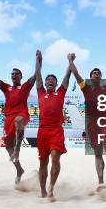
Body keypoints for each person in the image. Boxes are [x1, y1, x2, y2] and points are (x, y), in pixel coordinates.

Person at [69, 57, 106, 191]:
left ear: (100, 77)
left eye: (98, 73)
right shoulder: (85, 87)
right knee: (97, 154)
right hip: (92, 125)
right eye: (94, 73)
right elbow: (75, 72)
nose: (96, 74)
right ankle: (101, 182)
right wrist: (70, 60)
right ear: (90, 77)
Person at [0, 53, 35, 184]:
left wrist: (38, 60)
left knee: (19, 120)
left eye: (16, 74)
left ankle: (18, 149)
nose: (14, 75)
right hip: (8, 118)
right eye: (12, 74)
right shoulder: (7, 87)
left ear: (21, 76)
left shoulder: (25, 86)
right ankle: (19, 169)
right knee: (8, 147)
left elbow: (36, 75)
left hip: (22, 113)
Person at [35, 50, 72, 200]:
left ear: (56, 84)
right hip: (42, 131)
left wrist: (70, 61)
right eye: (48, 80)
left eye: (52, 80)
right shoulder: (40, 92)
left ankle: (51, 187)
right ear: (44, 83)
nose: (50, 81)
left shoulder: (61, 92)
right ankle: (43, 190)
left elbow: (67, 76)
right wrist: (37, 59)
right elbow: (37, 74)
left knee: (55, 158)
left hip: (56, 130)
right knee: (43, 163)